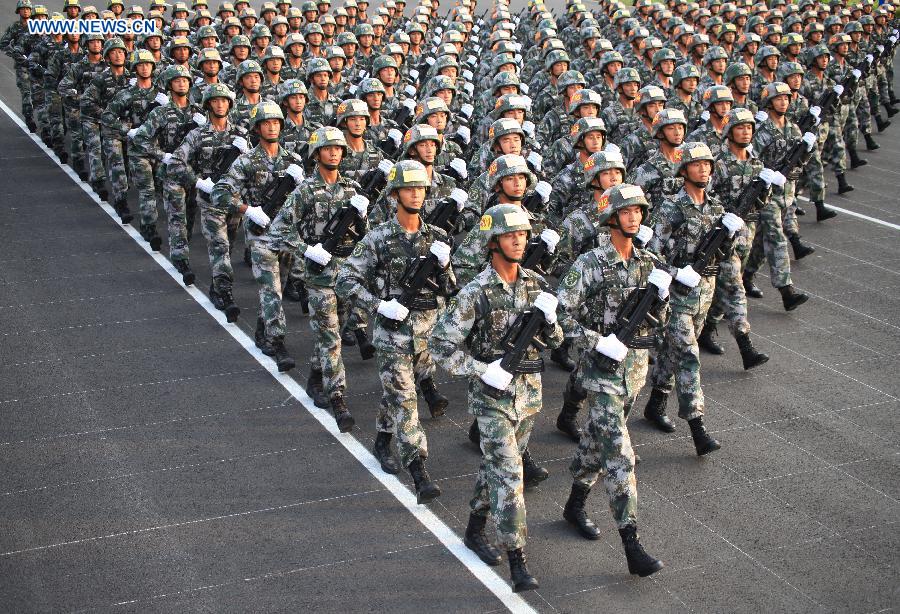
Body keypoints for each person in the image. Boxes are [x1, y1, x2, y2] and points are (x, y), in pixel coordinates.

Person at [430, 203, 563, 593]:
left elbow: (555, 343)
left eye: (523, 234)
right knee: (509, 475)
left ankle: (474, 527)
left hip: (528, 396)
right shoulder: (474, 293)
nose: (520, 240)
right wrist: (479, 369)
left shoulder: (536, 286)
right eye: (511, 235)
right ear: (493, 243)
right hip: (491, 399)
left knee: (498, 467)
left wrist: (553, 323)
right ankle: (518, 560)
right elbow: (440, 345)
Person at [556, 183, 668, 577]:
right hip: (601, 375)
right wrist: (597, 340)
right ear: (612, 219)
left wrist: (665, 301)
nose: (635, 217)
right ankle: (631, 543)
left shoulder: (650, 264)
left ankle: (573, 504)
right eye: (627, 211)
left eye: (639, 211)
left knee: (594, 441)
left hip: (633, 373)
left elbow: (661, 321)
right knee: (621, 456)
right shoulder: (589, 264)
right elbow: (557, 315)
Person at [336, 160, 455, 499]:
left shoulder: (438, 238)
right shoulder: (378, 238)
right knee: (405, 399)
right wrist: (377, 305)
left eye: (420, 188)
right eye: (408, 188)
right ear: (395, 194)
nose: (416, 193)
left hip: (427, 333)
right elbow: (345, 279)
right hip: (392, 334)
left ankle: (382, 438)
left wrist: (446, 268)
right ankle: (418, 471)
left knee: (396, 393)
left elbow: (449, 288)